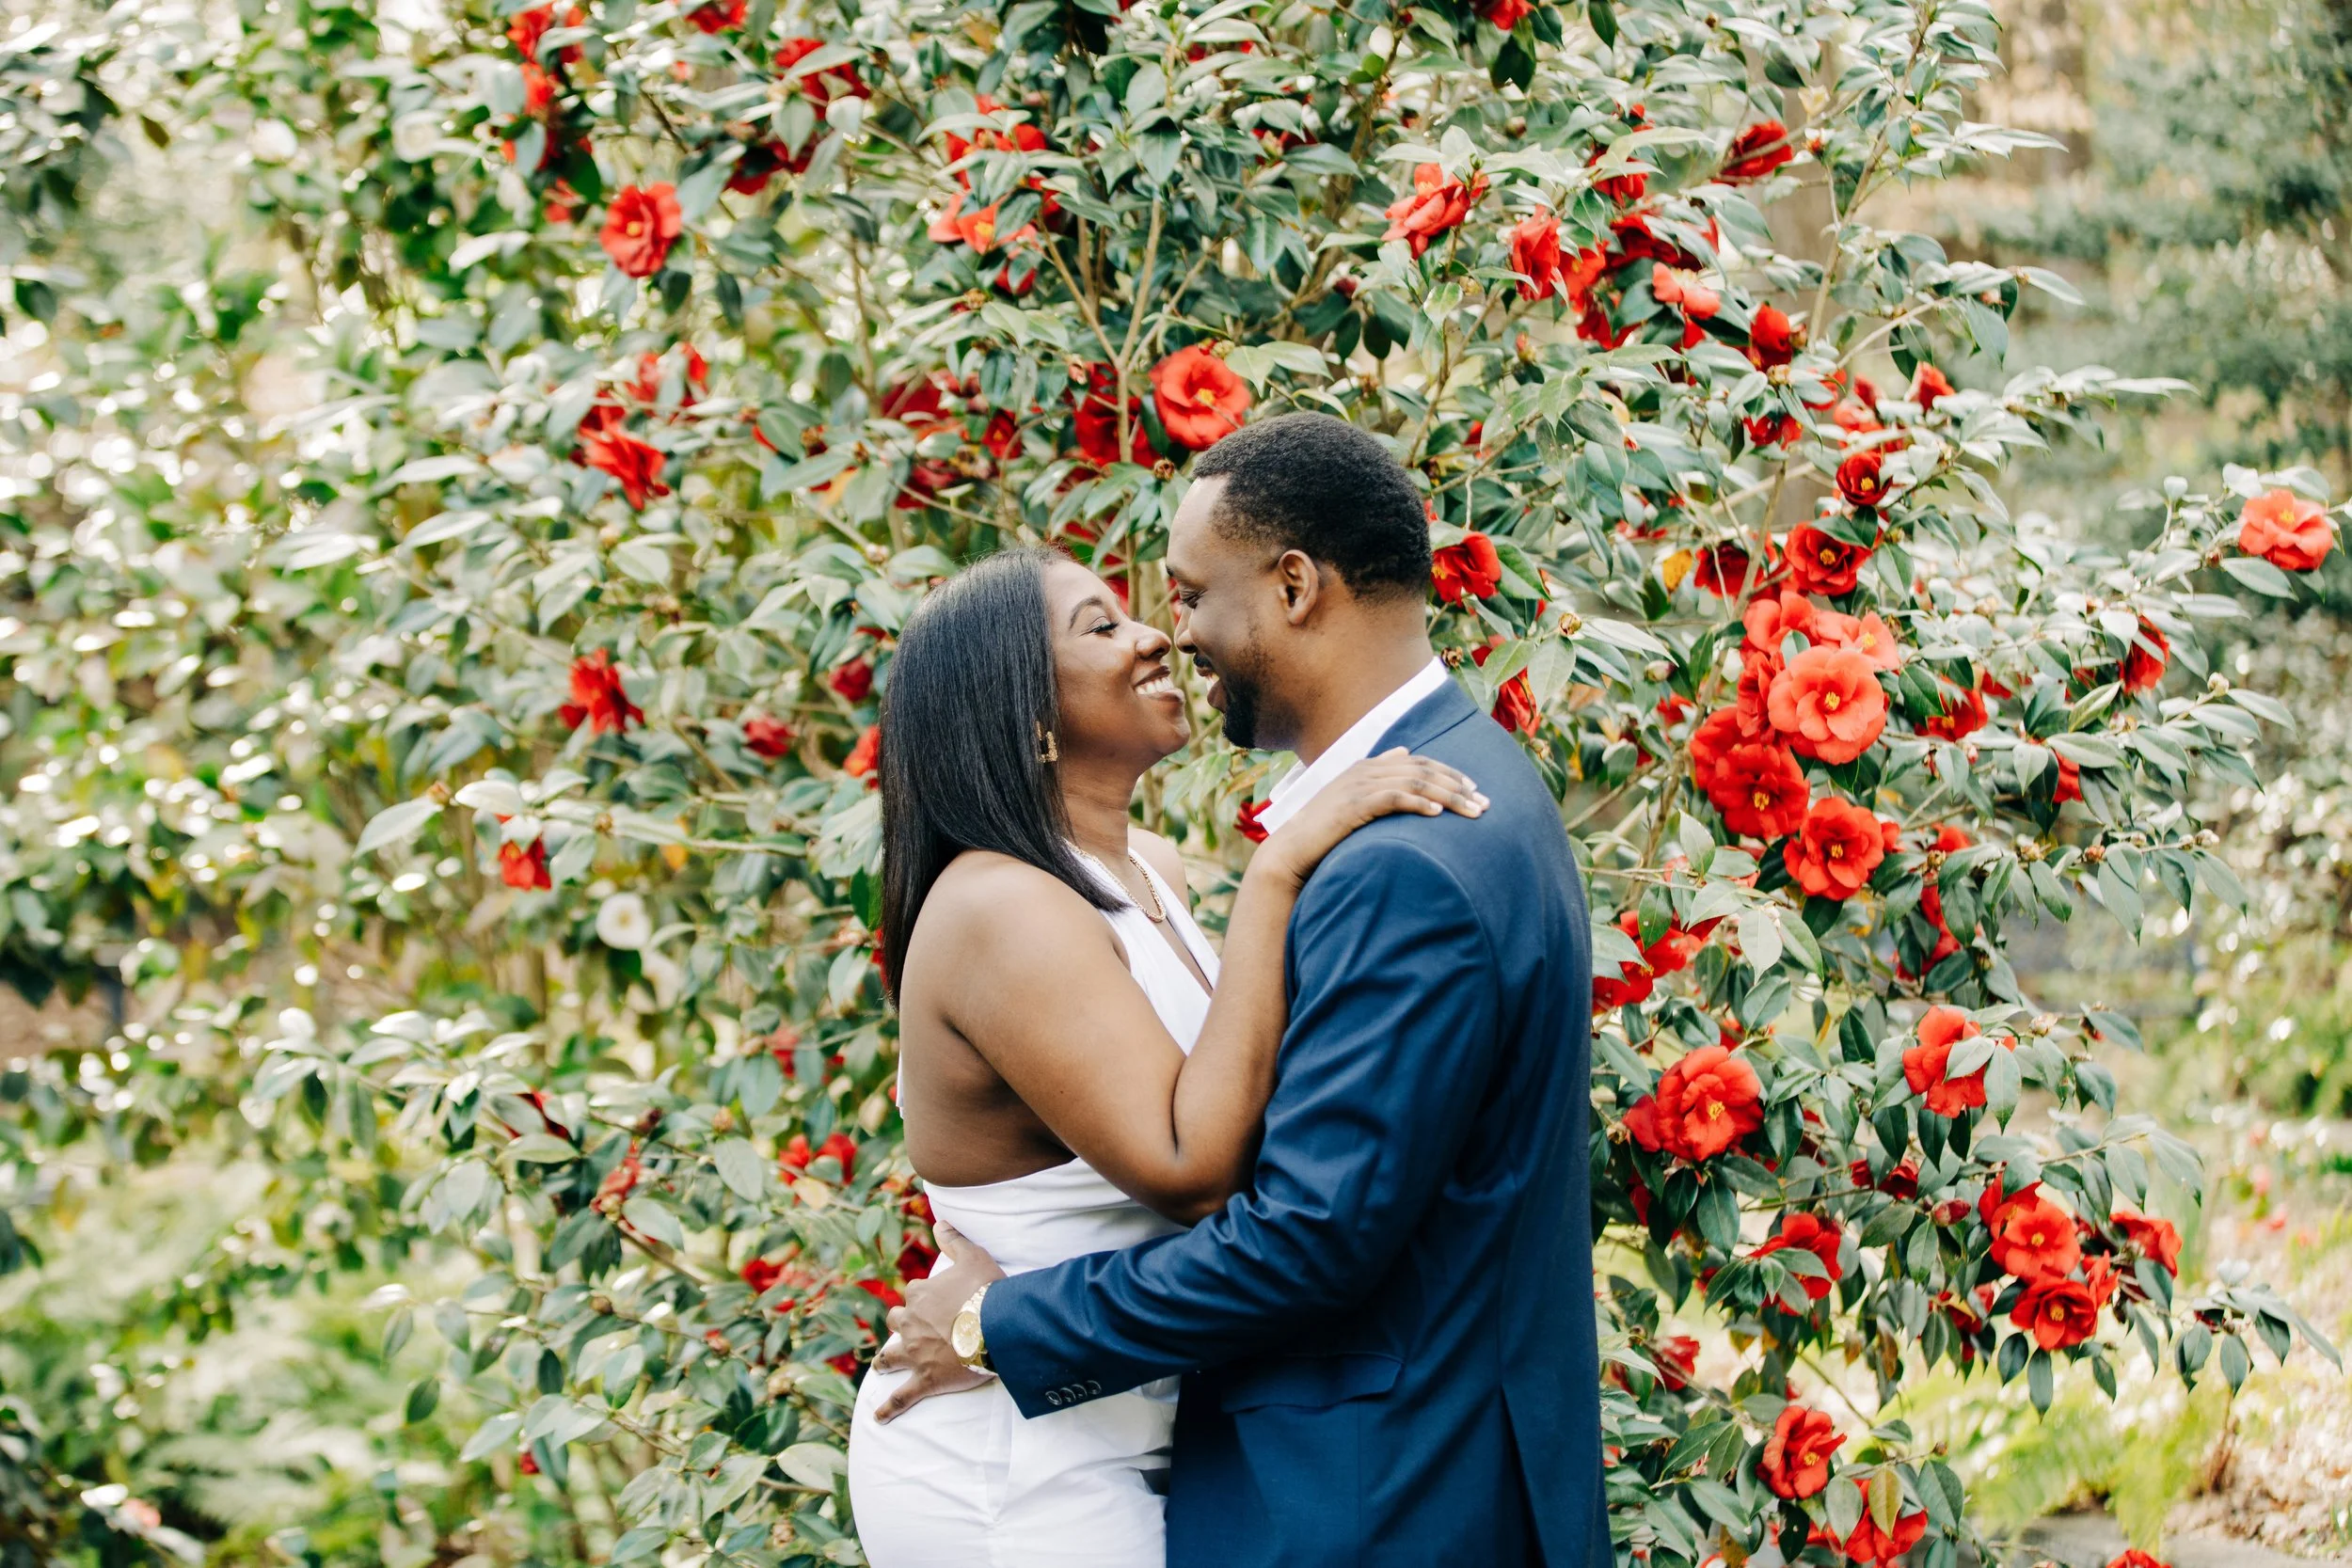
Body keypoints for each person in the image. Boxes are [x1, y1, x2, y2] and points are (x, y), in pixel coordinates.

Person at [872, 412, 1606, 1568]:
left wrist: (997, 1319)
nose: (1171, 632)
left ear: (1296, 586)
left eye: (1183, 594)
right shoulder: (1440, 793)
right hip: (1034, 1465)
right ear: (1028, 712)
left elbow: (1301, 1227)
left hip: (1374, 1476)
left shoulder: (1392, 853)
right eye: (1110, 618)